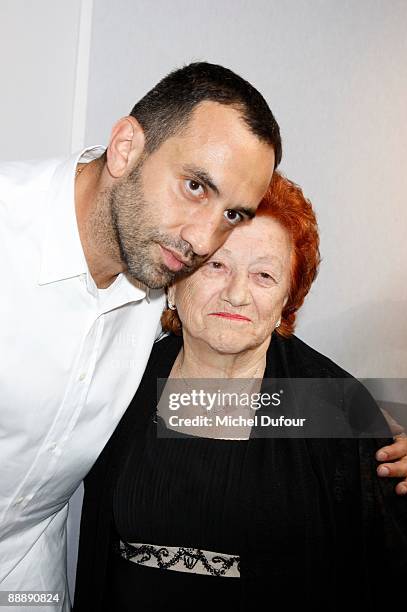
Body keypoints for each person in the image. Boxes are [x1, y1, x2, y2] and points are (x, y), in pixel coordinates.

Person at [0, 62, 281, 610]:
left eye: (232, 213)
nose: (204, 240)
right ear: (126, 147)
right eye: (195, 185)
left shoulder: (163, 279)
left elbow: (230, 381)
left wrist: (364, 427)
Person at [74, 173, 407, 611]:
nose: (236, 294)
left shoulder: (334, 405)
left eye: (264, 275)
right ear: (174, 280)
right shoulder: (120, 380)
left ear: (286, 303)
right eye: (216, 265)